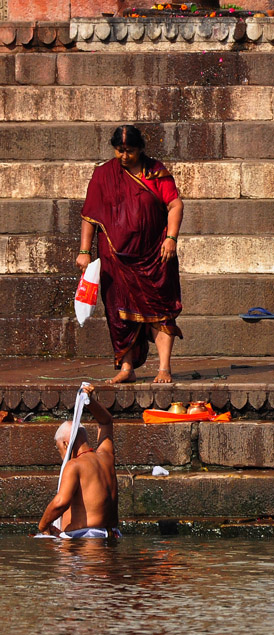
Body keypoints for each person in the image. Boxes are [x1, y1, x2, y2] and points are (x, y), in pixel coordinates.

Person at [78, 125, 184, 385]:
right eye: (120, 150)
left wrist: (171, 238)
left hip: (155, 256)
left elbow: (174, 204)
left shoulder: (155, 172)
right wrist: (84, 251)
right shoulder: (103, 175)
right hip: (116, 258)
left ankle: (164, 368)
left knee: (161, 311)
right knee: (119, 313)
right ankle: (126, 367)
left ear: (141, 149)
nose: (125, 156)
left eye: (131, 151)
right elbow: (90, 217)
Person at [37, 385, 121, 539]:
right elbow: (106, 422)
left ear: (65, 444)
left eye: (59, 450)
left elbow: (60, 503)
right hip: (112, 536)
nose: (62, 456)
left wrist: (43, 526)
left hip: (86, 542)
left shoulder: (74, 465)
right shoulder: (106, 456)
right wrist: (89, 401)